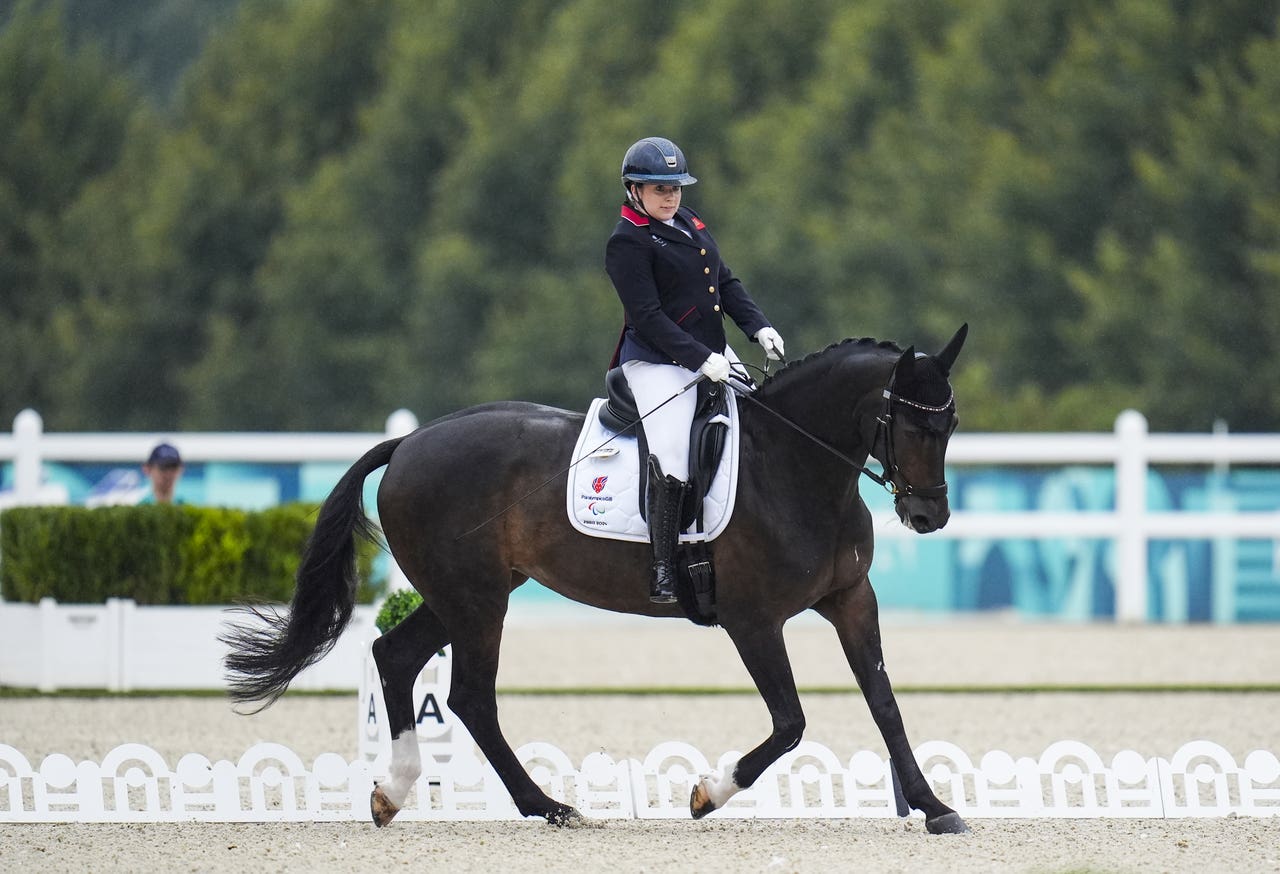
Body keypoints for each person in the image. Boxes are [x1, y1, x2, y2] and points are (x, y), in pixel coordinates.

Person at [605, 136, 785, 604]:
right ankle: (663, 567)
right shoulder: (627, 241)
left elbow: (724, 282)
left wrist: (758, 327)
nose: (670, 197)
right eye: (659, 189)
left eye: (676, 188)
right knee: (672, 458)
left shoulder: (688, 222)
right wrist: (702, 358)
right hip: (657, 363)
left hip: (713, 355)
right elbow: (647, 317)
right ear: (634, 190)